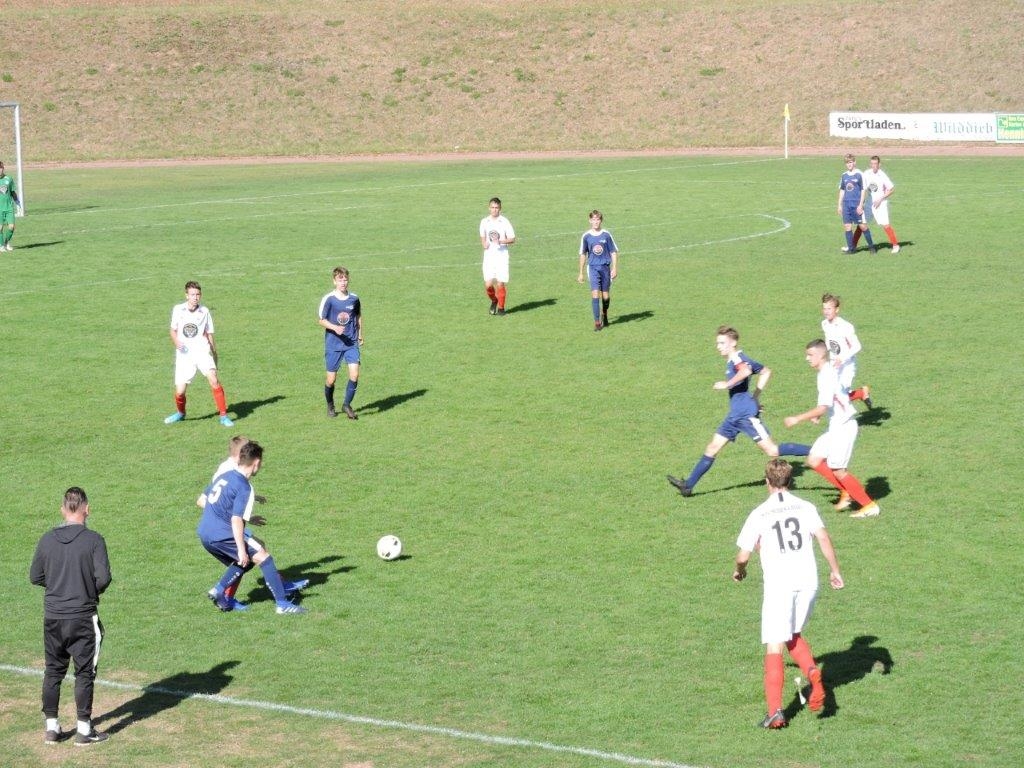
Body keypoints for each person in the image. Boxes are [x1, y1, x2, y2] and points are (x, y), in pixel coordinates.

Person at [733, 459, 844, 729]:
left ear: (767, 482)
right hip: (808, 581)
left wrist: (740, 571)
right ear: (790, 481)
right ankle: (812, 672)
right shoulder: (806, 507)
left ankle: (776, 713)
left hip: (779, 586)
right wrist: (834, 571)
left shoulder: (760, 513)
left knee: (775, 644)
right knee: (792, 633)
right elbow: (823, 537)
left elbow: (743, 555)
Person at [667, 326, 810, 497]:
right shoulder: (738, 359)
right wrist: (755, 397)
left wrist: (727, 384)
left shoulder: (737, 358)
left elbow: (746, 371)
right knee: (713, 447)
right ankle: (688, 486)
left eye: (722, 343)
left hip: (745, 415)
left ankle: (818, 451)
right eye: (717, 343)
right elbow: (765, 372)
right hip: (734, 416)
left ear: (733, 343)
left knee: (772, 450)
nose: (718, 347)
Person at [29, 487, 112, 746]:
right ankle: (84, 730)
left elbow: (35, 576)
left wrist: (59, 585)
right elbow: (103, 578)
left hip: (53, 617)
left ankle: (52, 729)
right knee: (85, 672)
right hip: (83, 617)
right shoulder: (94, 540)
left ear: (63, 510)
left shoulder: (47, 539)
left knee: (53, 671)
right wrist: (86, 589)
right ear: (87, 509)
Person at [197, 441, 307, 614]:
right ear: (256, 462)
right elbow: (236, 520)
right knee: (263, 557)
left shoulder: (225, 476)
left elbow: (210, 501)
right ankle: (282, 604)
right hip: (222, 533)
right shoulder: (244, 487)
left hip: (205, 533)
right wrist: (241, 549)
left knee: (246, 561)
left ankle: (220, 591)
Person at [784, 339, 881, 518]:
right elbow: (836, 397)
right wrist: (819, 414)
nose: (807, 358)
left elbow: (823, 406)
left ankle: (869, 506)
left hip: (844, 427)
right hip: (836, 426)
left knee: (839, 470)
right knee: (814, 459)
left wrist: (797, 418)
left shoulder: (826, 375)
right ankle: (846, 491)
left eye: (810, 355)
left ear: (821, 355)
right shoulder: (828, 370)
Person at [164, 281, 234, 427]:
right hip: (184, 355)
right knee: (180, 391)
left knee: (214, 380)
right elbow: (172, 330)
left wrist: (214, 352)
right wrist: (176, 342)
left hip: (202, 351)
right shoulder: (178, 309)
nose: (195, 297)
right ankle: (181, 413)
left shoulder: (205, 311)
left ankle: (223, 416)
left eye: (197, 294)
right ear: (186, 295)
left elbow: (209, 333)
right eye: (192, 294)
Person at [318, 266, 363, 419]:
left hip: (351, 343)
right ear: (334, 281)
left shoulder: (354, 299)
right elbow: (321, 320)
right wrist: (335, 328)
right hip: (334, 344)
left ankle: (346, 405)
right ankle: (330, 404)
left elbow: (358, 316)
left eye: (345, 279)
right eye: (340, 280)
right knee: (331, 380)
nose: (343, 282)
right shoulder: (329, 299)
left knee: (354, 375)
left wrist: (360, 334)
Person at [820, 293, 872, 409]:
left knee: (840, 394)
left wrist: (842, 358)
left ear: (837, 309)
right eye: (824, 308)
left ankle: (850, 414)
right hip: (834, 364)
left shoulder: (845, 326)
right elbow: (829, 342)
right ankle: (861, 393)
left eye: (829, 309)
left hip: (847, 365)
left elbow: (857, 346)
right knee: (832, 394)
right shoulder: (824, 324)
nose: (826, 311)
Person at [577, 209, 619, 331]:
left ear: (601, 220)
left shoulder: (606, 235)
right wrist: (581, 273)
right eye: (593, 219)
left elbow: (613, 252)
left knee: (605, 296)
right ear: (590, 221)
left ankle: (604, 314)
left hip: (605, 268)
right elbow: (583, 254)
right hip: (593, 268)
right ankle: (597, 323)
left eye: (598, 219)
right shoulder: (586, 236)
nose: (596, 222)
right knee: (595, 294)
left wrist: (614, 268)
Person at [480, 197, 516, 315]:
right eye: (492, 207)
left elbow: (512, 239)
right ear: (489, 208)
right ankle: (494, 300)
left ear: (500, 208)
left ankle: (501, 308)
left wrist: (501, 241)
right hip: (489, 257)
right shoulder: (484, 221)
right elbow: (482, 235)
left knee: (500, 283)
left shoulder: (504, 222)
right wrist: (483, 243)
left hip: (502, 257)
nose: (494, 210)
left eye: (496, 207)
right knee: (488, 285)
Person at [858, 155, 900, 253]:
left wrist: (880, 199)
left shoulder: (882, 175)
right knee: (861, 223)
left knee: (885, 225)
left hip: (881, 204)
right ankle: (852, 246)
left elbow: (891, 189)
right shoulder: (866, 173)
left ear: (879, 164)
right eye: (872, 164)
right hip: (869, 203)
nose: (873, 166)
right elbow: (862, 185)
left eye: (875, 164)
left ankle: (895, 245)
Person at [836, 153, 876, 254]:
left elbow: (863, 190)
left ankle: (871, 246)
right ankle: (851, 249)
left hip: (856, 205)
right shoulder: (844, 175)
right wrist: (839, 205)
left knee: (862, 226)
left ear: (854, 162)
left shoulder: (859, 174)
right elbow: (842, 190)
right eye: (847, 163)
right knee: (847, 226)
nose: (849, 164)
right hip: (846, 205)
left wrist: (860, 205)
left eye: (850, 162)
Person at [0, 160, 21, 251]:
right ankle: (1, 246)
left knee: (11, 227)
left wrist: (17, 201)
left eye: (0, 168)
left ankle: (6, 243)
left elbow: (12, 192)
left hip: (9, 207)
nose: (0, 170)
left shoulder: (9, 179)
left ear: (3, 168)